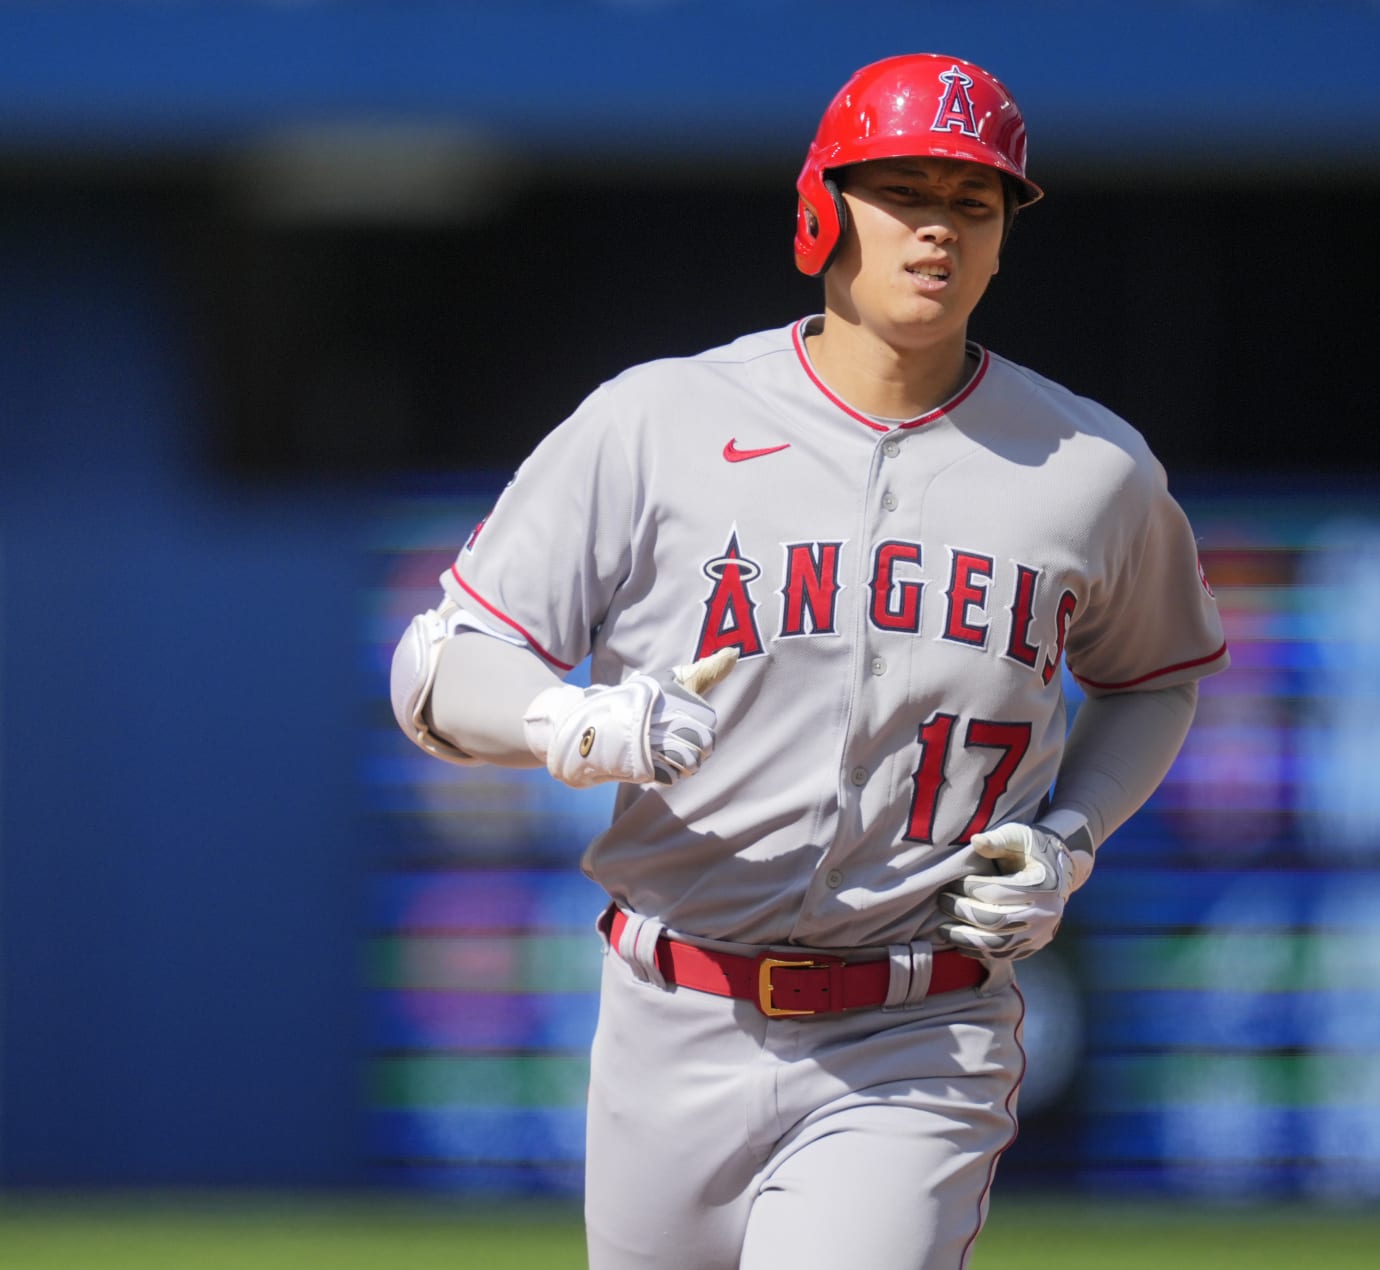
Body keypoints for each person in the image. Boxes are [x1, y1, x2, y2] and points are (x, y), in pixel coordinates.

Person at [388, 51, 1228, 1270]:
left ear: (1002, 241)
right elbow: (440, 661)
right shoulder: (659, 419)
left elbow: (1156, 676)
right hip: (670, 1009)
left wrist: (1073, 835)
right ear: (823, 207)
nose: (937, 230)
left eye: (973, 204)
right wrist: (575, 723)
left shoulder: (1090, 466)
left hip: (917, 1026)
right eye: (904, 193)